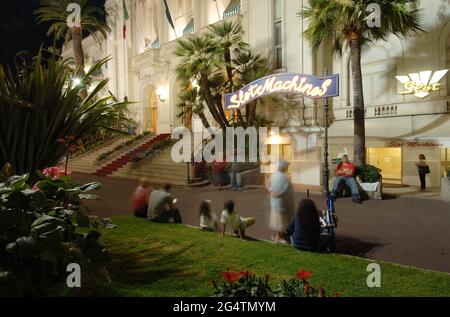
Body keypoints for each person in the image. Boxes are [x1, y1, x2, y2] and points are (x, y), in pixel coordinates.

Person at [268, 160, 295, 244]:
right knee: (281, 221)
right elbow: (285, 189)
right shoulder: (284, 177)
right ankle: (280, 237)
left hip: (275, 202)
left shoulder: (273, 176)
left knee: (278, 220)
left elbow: (269, 186)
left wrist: (273, 193)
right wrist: (278, 194)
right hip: (282, 203)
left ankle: (279, 235)